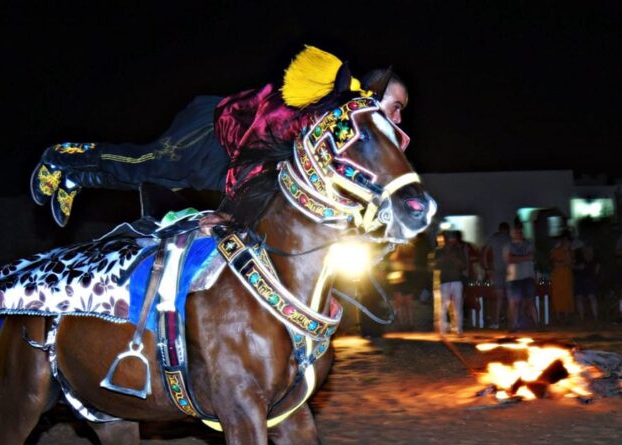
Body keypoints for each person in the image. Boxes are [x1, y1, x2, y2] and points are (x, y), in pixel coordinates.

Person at [28, 47, 410, 227]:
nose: (398, 118)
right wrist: (229, 212)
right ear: (375, 96)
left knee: (148, 178)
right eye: (397, 107)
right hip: (209, 130)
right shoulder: (325, 104)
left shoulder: (348, 129)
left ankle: (78, 178)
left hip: (224, 160)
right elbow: (257, 145)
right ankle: (63, 157)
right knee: (141, 162)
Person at [434, 231, 469, 336]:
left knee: (457, 305)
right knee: (444, 306)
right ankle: (444, 329)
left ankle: (458, 328)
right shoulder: (438, 251)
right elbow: (434, 266)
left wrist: (454, 258)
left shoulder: (458, 250)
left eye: (447, 238)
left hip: (456, 280)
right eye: (444, 239)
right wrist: (444, 258)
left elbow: (464, 266)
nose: (446, 241)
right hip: (444, 281)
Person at [506, 226, 538, 330]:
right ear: (512, 234)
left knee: (530, 301)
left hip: (528, 276)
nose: (518, 234)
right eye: (516, 232)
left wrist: (517, 258)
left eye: (519, 232)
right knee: (515, 303)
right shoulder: (508, 246)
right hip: (514, 278)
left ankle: (536, 325)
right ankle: (513, 326)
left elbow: (532, 257)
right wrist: (525, 257)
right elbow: (509, 259)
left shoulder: (529, 244)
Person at [484, 222, 514, 328]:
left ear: (499, 229)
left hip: (497, 270)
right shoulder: (510, 239)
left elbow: (485, 252)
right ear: (507, 230)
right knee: (511, 297)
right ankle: (512, 323)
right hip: (509, 270)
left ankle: (496, 322)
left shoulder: (494, 238)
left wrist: (487, 268)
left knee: (499, 297)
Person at [549, 231, 576, 324]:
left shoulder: (571, 252)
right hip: (557, 277)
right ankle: (557, 317)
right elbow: (555, 264)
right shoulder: (555, 251)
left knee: (567, 295)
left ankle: (566, 317)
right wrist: (564, 263)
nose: (567, 243)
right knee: (557, 295)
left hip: (567, 277)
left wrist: (567, 252)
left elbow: (571, 263)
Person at [572, 240, 600, 322]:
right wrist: (577, 267)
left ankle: (595, 317)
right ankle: (581, 318)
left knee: (592, 297)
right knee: (579, 297)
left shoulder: (594, 257)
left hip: (589, 278)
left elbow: (596, 270)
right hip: (579, 278)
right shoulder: (577, 256)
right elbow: (573, 266)